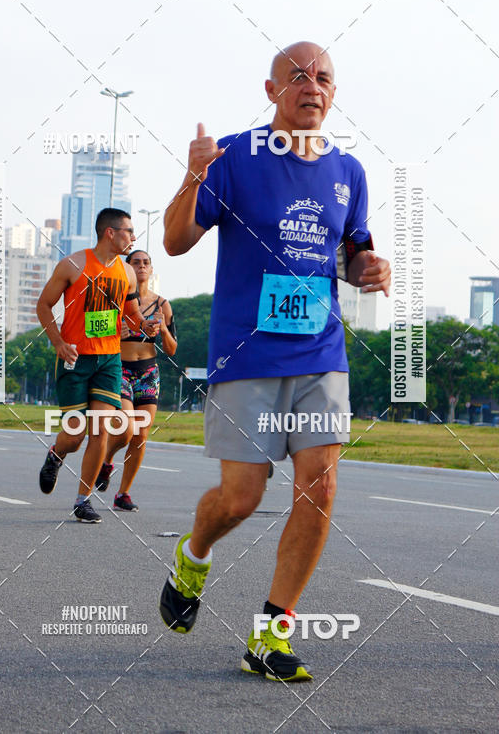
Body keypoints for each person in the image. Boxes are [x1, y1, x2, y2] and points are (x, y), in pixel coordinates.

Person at [158, 41, 391, 681]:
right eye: (297, 77)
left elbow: (353, 255)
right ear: (270, 90)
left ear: (334, 92)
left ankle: (270, 634)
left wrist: (372, 268)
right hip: (247, 352)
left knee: (320, 484)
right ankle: (193, 552)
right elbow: (176, 243)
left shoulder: (349, 169)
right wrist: (193, 176)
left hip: (321, 350)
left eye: (322, 78)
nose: (311, 86)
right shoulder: (233, 155)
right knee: (240, 498)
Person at [36, 208, 159, 523]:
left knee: (102, 430)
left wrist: (145, 325)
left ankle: (82, 500)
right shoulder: (73, 265)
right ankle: (56, 453)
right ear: (110, 232)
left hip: (109, 360)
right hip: (75, 359)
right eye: (129, 231)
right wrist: (58, 343)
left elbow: (131, 314)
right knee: (75, 434)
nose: (133, 238)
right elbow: (44, 304)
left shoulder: (127, 272)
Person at [95, 249, 177, 511]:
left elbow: (173, 349)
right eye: (136, 263)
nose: (141, 267)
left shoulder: (162, 304)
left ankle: (123, 494)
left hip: (148, 371)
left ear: (151, 269)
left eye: (146, 263)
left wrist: (162, 328)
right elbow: (95, 334)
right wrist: (120, 331)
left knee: (141, 435)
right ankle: (106, 461)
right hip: (119, 368)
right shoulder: (115, 301)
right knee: (126, 427)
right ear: (127, 268)